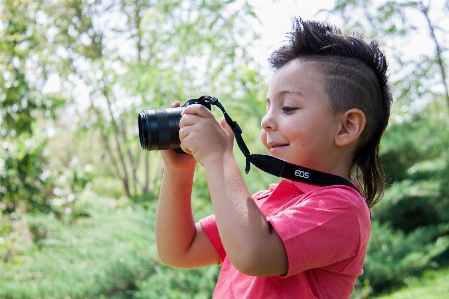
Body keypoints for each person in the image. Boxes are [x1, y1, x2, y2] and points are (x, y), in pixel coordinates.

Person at [155, 17, 392, 299]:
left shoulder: (342, 208)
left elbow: (253, 255)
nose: (266, 121)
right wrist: (179, 172)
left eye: (288, 107)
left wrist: (219, 158)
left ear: (346, 127)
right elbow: (180, 249)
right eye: (268, 108)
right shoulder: (266, 203)